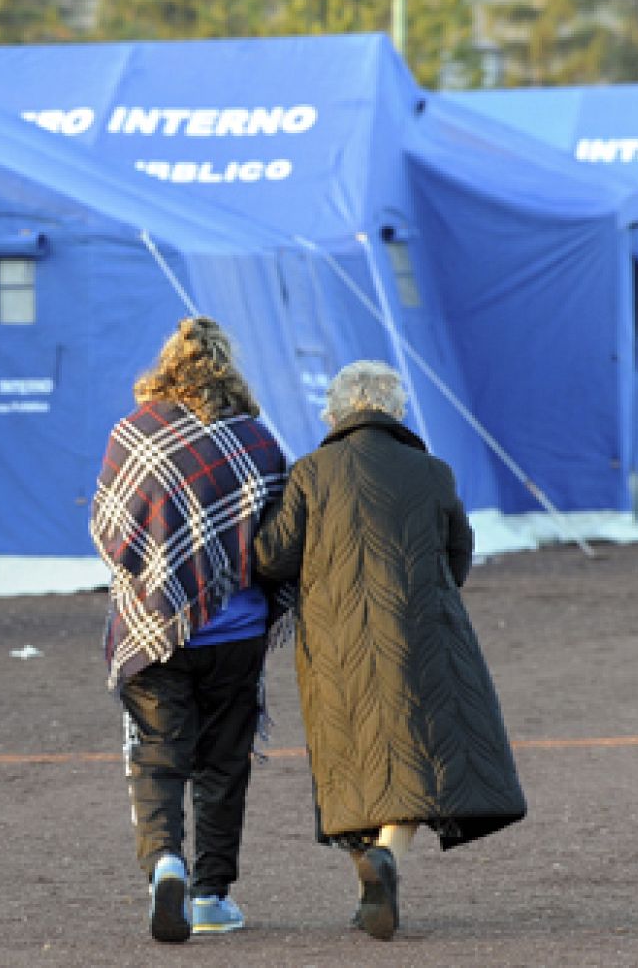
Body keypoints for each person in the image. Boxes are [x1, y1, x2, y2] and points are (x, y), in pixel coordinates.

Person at [254, 360, 527, 941]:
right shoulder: (433, 472)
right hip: (422, 630)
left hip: (336, 638)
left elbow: (272, 556)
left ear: (336, 413)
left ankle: (372, 878)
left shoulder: (311, 471)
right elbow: (456, 559)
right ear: (394, 411)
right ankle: (385, 865)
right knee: (414, 754)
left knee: (353, 753)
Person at [89, 316, 290, 944]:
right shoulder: (257, 440)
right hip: (236, 633)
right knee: (224, 764)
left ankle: (164, 866)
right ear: (228, 368)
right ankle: (210, 896)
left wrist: (156, 582)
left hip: (153, 630)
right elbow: (279, 540)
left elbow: (109, 528)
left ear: (169, 364)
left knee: (156, 755)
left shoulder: (134, 434)